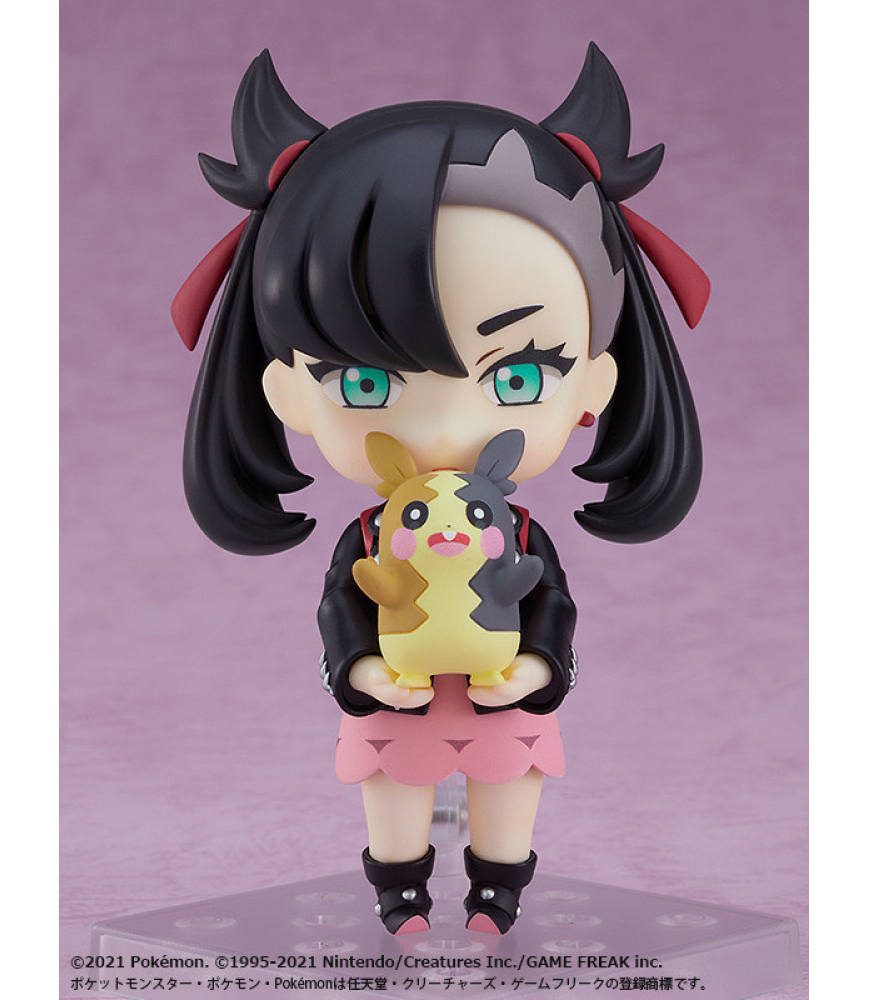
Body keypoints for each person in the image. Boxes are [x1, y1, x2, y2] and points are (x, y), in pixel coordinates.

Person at [173, 43, 709, 936]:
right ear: (287, 394)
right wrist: (360, 670)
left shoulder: (523, 535)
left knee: (509, 789)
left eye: (520, 376)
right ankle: (401, 891)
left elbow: (552, 606)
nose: (446, 428)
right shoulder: (371, 538)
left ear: (595, 385)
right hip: (396, 699)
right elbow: (341, 607)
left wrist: (540, 668)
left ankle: (498, 889)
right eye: (365, 381)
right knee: (392, 790)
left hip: (506, 697)